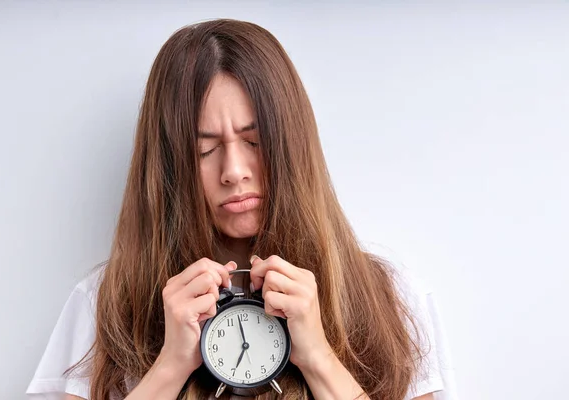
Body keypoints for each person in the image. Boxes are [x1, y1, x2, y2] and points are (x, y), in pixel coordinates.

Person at [26, 18, 457, 400]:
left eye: (255, 142)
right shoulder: (105, 303)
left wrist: (320, 359)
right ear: (171, 166)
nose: (234, 171)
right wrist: (171, 367)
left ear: (292, 146)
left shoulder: (390, 297)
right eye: (205, 149)